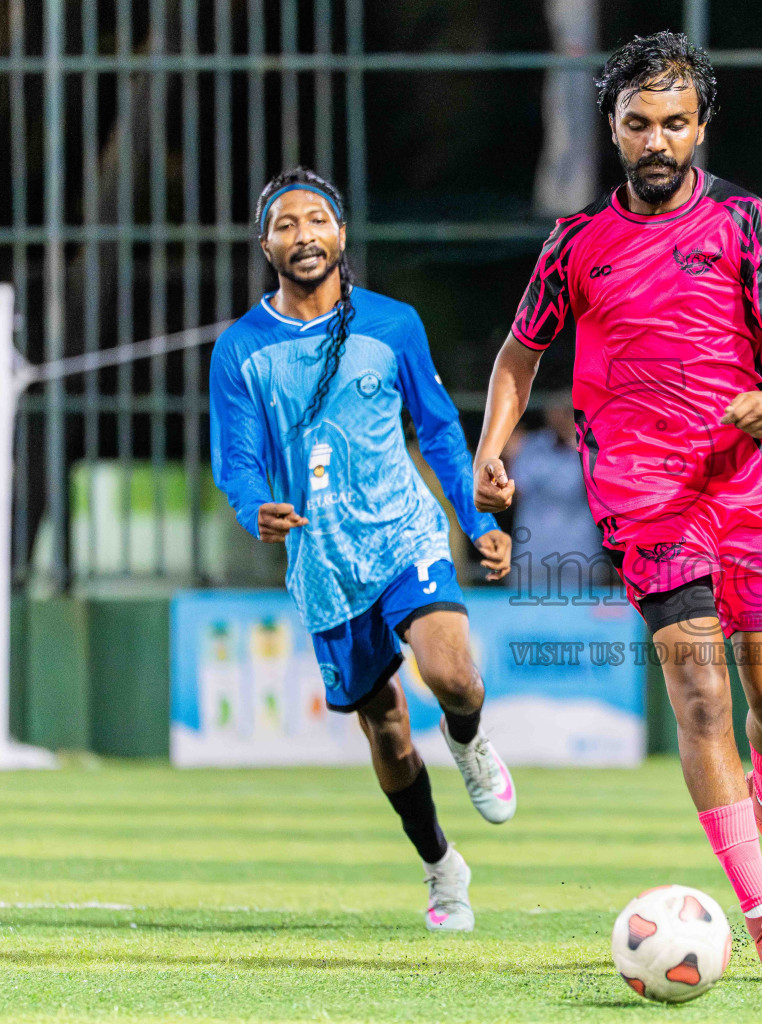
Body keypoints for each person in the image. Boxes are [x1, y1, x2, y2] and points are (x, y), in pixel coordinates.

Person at [473, 33, 762, 983]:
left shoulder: (749, 225)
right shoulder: (576, 245)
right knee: (701, 697)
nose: (658, 139)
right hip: (647, 503)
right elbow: (519, 354)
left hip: (752, 489)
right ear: (614, 129)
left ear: (701, 126)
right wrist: (489, 451)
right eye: (640, 123)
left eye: (675, 122)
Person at [209, 168, 517, 933]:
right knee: (384, 727)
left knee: (453, 674)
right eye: (286, 223)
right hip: (323, 563)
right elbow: (236, 461)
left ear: (342, 235)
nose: (303, 233)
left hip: (404, 531)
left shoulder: (393, 324)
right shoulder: (240, 350)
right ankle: (443, 868)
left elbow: (439, 429)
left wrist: (476, 524)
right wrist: (255, 509)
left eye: (317, 219)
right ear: (266, 244)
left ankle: (471, 739)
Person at [509, 397, 609, 602]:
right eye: (557, 408)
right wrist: (509, 456)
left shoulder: (596, 446)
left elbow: (600, 494)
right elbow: (514, 492)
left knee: (580, 628)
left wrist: (583, 449)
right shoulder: (529, 445)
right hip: (533, 556)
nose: (562, 414)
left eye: (568, 409)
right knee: (524, 625)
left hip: (580, 556)